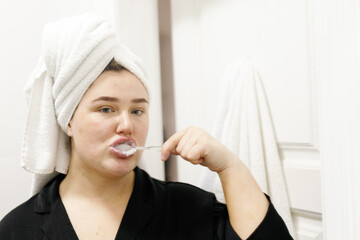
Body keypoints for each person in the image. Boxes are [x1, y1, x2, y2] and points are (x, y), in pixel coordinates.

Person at [0, 13, 292, 240]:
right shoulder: (17, 229)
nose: (127, 124)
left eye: (137, 109)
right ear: (68, 121)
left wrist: (229, 166)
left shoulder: (188, 208)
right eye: (106, 109)